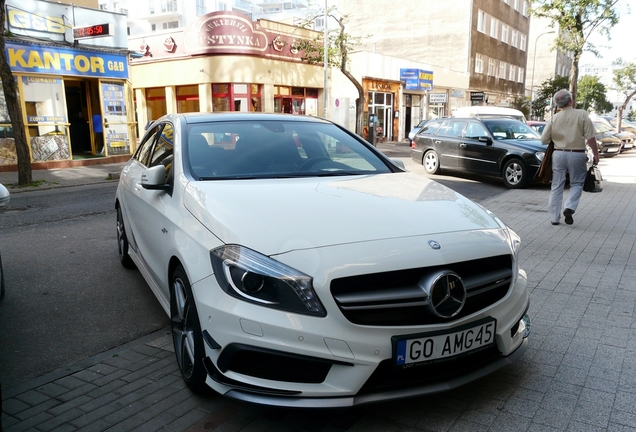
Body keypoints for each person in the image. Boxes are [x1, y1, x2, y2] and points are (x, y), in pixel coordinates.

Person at [541, 89, 600, 226]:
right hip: (577, 153)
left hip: (558, 154)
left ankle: (555, 218)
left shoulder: (554, 118)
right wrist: (596, 154)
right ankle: (570, 207)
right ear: (571, 100)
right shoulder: (582, 115)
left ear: (558, 104)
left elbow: (544, 139)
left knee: (557, 185)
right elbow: (591, 137)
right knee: (577, 183)